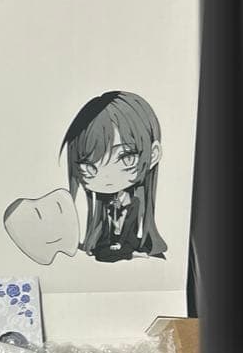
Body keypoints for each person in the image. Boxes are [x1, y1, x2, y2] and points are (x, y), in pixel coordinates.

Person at [60, 90, 167, 262]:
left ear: (153, 155)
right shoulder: (98, 212)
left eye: (126, 158)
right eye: (89, 166)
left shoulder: (136, 205)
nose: (107, 177)